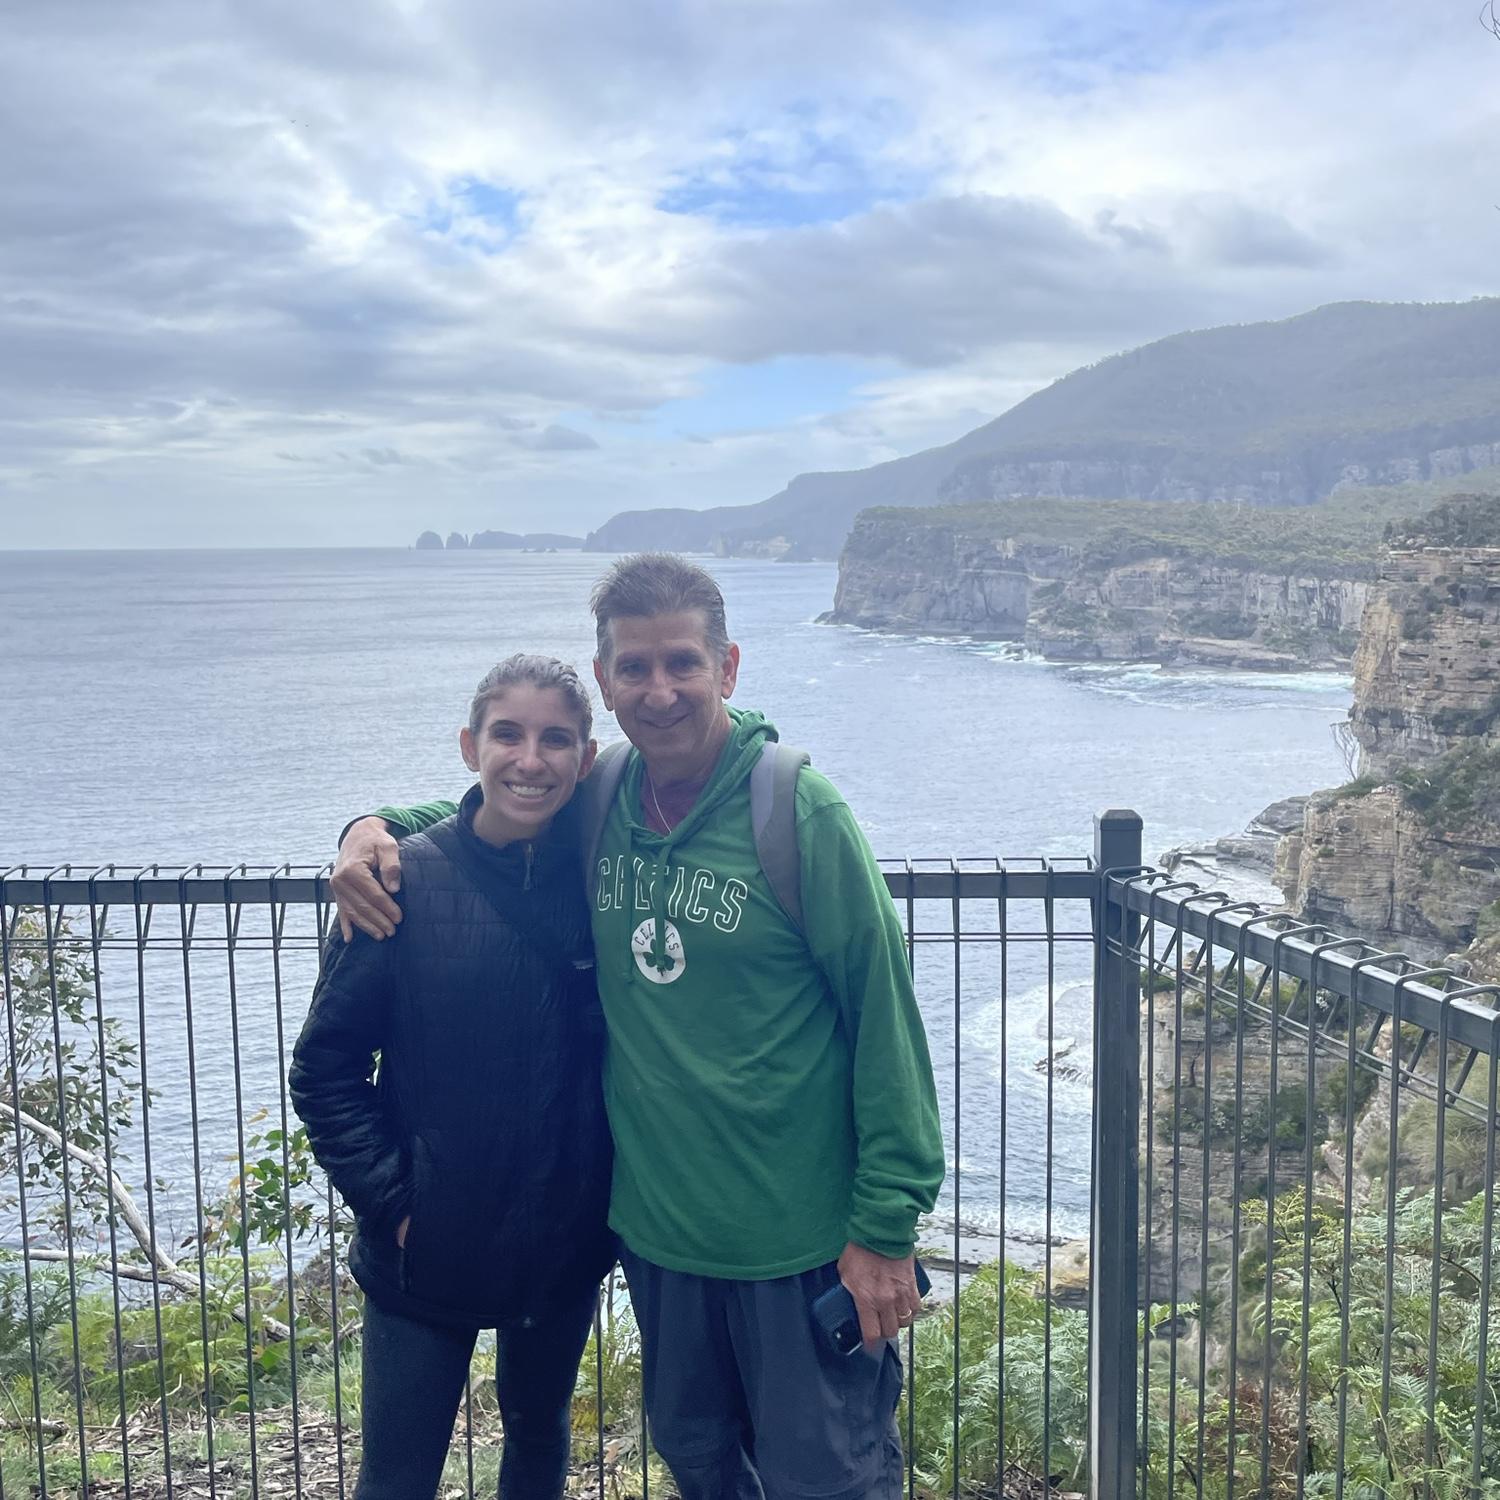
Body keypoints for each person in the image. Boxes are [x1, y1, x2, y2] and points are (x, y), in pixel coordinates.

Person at [333, 554, 945, 1500]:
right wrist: (367, 826)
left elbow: (885, 1022)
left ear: (729, 668)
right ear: (609, 685)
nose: (660, 691)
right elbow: (494, 807)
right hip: (659, 1243)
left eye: (683, 664)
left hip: (797, 1243)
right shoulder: (604, 796)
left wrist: (886, 1226)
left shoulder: (798, 811)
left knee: (826, 1478)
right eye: (635, 669)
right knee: (701, 1465)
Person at [290, 654, 614, 1500]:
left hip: (564, 1245)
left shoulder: (604, 876)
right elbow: (325, 1066)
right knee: (397, 1477)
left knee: (540, 1447)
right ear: (471, 746)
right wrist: (395, 1203)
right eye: (507, 734)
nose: (529, 760)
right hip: (423, 1252)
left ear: (587, 759)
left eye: (556, 739)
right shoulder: (402, 880)